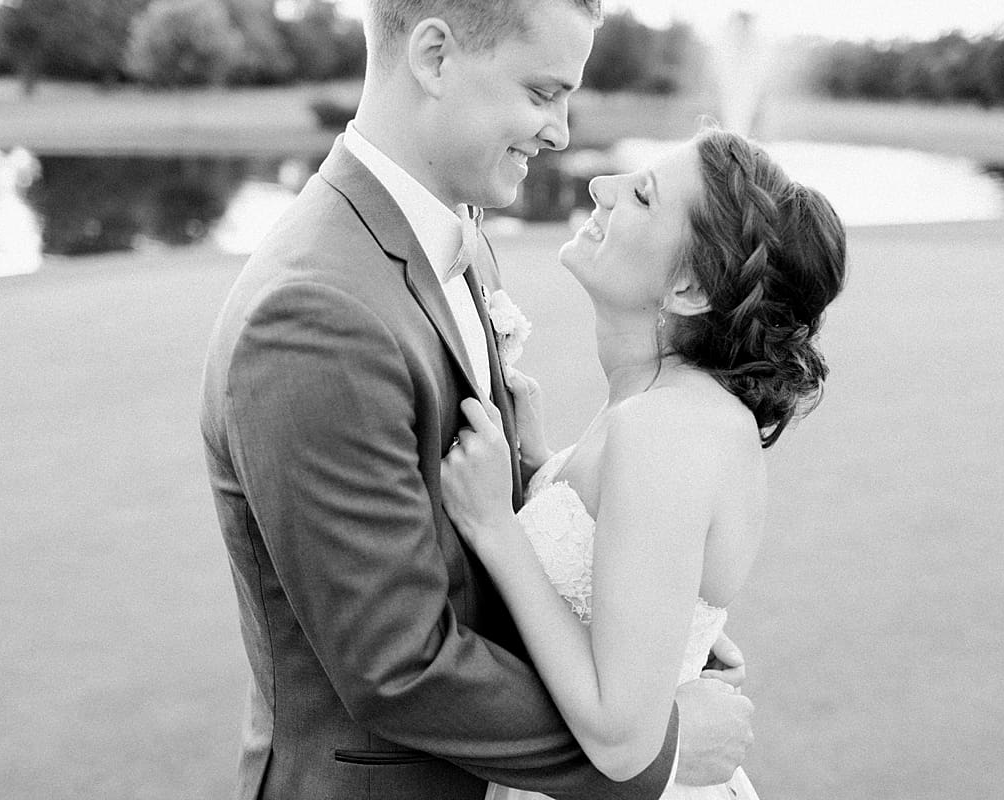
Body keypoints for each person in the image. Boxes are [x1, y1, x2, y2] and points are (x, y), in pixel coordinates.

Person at [199, 1, 755, 798]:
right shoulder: (314, 314)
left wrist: (644, 617)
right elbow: (398, 666)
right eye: (542, 92)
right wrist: (655, 751)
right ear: (433, 58)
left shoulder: (454, 231)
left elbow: (450, 526)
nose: (561, 131)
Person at [439, 128, 847, 799]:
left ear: (688, 286)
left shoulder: (668, 428)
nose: (602, 188)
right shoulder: (659, 404)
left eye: (643, 196)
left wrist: (496, 527)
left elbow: (624, 737)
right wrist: (542, 469)